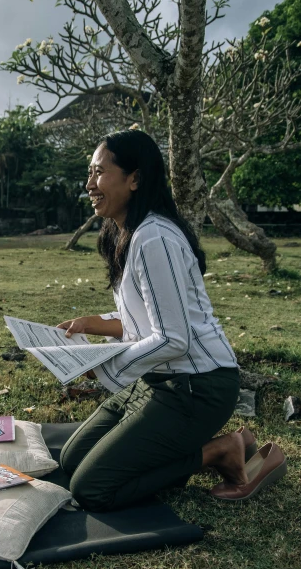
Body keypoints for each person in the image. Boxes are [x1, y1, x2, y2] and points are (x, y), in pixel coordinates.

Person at [57, 130, 286, 512]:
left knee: (92, 488)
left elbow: (173, 339)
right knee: (71, 460)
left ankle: (218, 451)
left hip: (198, 387)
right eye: (89, 173)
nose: (89, 184)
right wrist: (89, 324)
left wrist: (102, 366)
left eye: (99, 172)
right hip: (159, 381)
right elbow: (148, 318)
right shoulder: (126, 233)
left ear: (135, 178)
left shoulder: (154, 238)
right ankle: (225, 445)